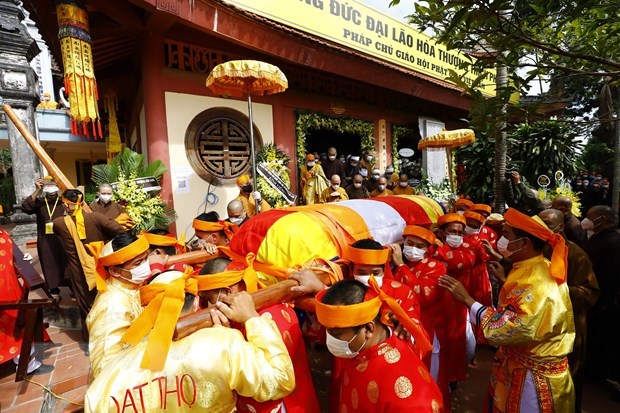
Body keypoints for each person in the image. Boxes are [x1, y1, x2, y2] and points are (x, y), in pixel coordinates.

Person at [84, 270, 295, 413]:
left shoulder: (108, 377)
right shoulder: (225, 344)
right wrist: (252, 319)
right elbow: (280, 380)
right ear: (196, 304)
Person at [439, 208, 576, 413]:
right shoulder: (532, 265)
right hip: (519, 362)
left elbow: (512, 327)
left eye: (506, 235)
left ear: (524, 243)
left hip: (532, 376)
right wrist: (504, 280)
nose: (501, 240)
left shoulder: (535, 282)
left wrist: (468, 300)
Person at [198, 258, 320, 412]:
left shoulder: (271, 316)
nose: (205, 307)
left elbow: (273, 378)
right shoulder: (234, 313)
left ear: (227, 292)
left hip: (282, 404)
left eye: (208, 300)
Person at [315, 278, 443, 412]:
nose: (331, 339)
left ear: (368, 329)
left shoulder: (410, 400)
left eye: (336, 333)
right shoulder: (357, 349)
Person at [539, 208, 599, 412]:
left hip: (569, 325)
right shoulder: (537, 248)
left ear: (560, 226)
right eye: (539, 222)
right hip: (541, 324)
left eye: (547, 223)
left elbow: (589, 293)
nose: (542, 227)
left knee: (568, 376)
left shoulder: (575, 254)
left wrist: (554, 289)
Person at [85, 233, 167, 379]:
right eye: (138, 263)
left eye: (146, 258)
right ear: (115, 271)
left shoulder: (130, 284)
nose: (145, 265)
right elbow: (106, 369)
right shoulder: (112, 307)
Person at [389, 225, 450, 404]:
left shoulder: (436, 267)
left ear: (428, 249)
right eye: (409, 243)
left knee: (428, 371)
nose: (413, 248)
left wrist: (401, 265)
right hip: (397, 327)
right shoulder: (392, 265)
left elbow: (421, 295)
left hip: (426, 328)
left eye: (419, 246)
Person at [53, 189, 126, 337]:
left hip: (78, 271)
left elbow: (55, 231)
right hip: (100, 268)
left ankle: (90, 339)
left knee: (86, 305)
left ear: (66, 206)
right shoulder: (96, 218)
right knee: (105, 301)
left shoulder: (59, 223)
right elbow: (120, 230)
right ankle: (110, 335)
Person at [434, 213, 484, 384]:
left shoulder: (468, 247)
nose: (457, 236)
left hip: (458, 305)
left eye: (460, 233)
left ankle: (453, 376)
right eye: (452, 232)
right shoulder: (432, 247)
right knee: (439, 345)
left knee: (462, 344)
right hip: (436, 305)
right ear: (441, 233)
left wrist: (437, 249)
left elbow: (461, 262)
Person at [0, 228, 54, 376]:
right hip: (5, 295)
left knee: (18, 327)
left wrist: (20, 265)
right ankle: (27, 365)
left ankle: (27, 363)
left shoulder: (3, 234)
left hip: (11, 290)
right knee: (15, 329)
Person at [583, 205, 620, 400]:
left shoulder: (614, 242)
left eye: (590, 217)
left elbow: (609, 277)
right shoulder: (598, 238)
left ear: (603, 219)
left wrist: (599, 301)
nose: (586, 220)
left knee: (605, 341)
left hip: (605, 302)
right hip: (595, 299)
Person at [20, 176, 67, 295]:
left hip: (63, 238)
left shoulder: (64, 201)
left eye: (53, 185)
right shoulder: (39, 202)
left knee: (67, 261)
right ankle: (53, 287)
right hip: (46, 239)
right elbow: (25, 208)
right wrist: (37, 190)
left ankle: (70, 285)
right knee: (48, 261)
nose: (50, 189)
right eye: (47, 186)